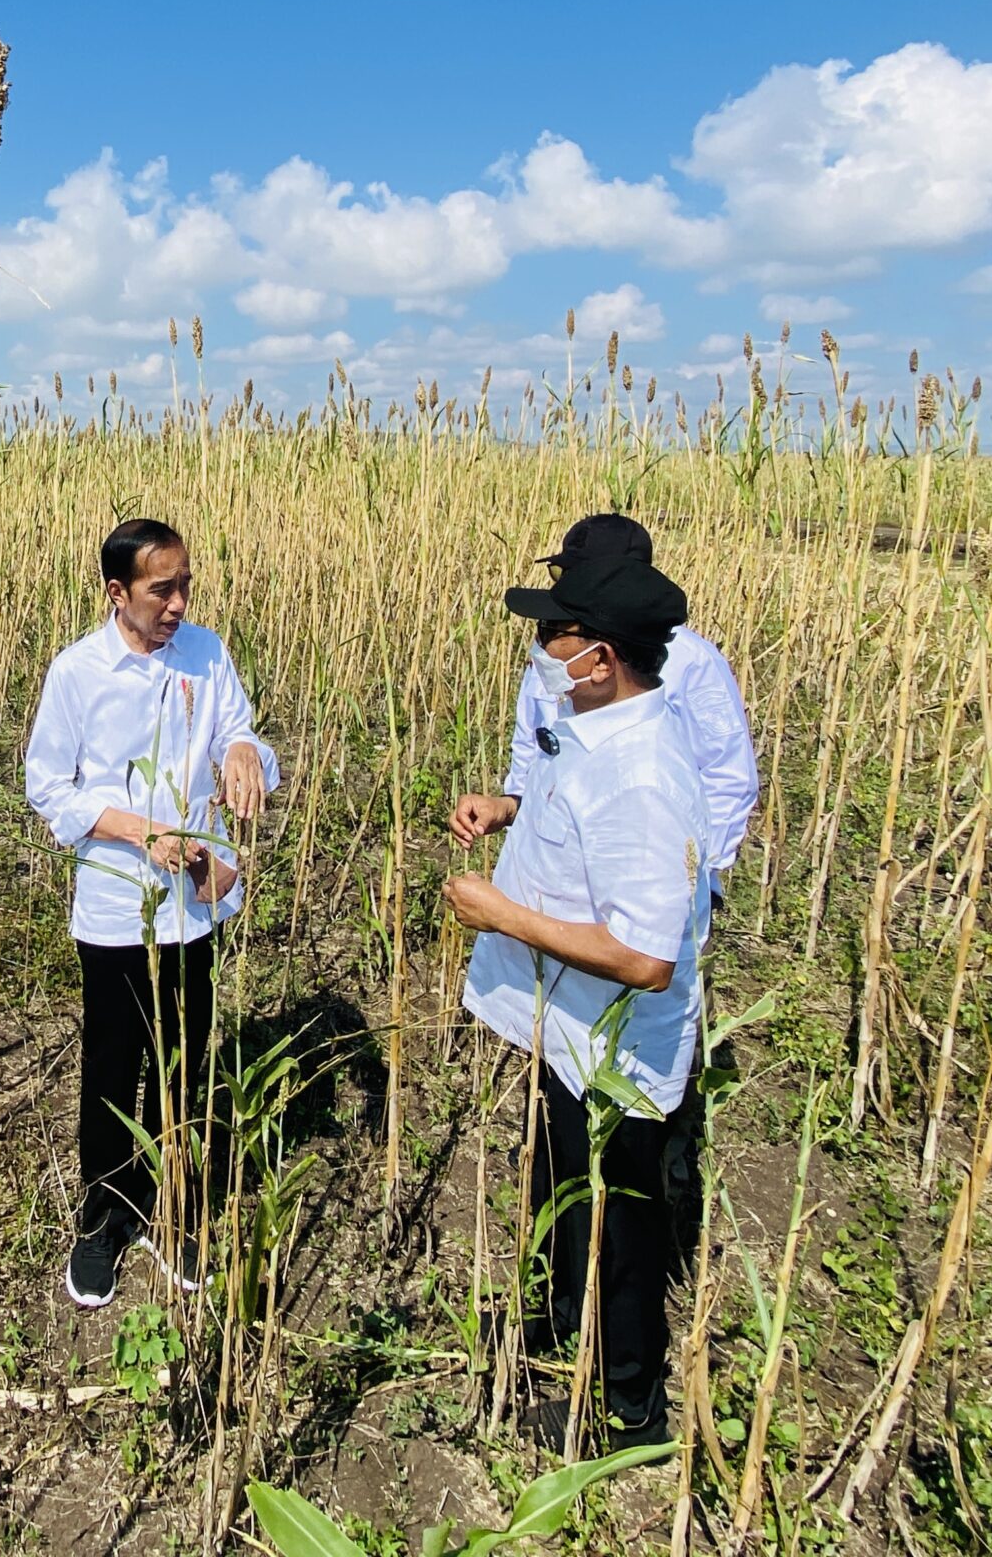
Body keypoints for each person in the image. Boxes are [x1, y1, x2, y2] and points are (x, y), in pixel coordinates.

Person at [443, 550, 709, 1443]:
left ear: (599, 655)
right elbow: (565, 818)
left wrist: (502, 913)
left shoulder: (645, 775)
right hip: (572, 1030)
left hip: (620, 1049)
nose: (540, 648)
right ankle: (560, 1317)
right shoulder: (596, 725)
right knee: (564, 1181)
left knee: (626, 1228)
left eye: (552, 634)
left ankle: (632, 1406)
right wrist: (507, 813)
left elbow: (644, 958)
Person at [24, 517, 278, 1308]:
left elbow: (241, 737)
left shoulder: (207, 652)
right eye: (160, 589)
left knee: (189, 1061)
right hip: (113, 904)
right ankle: (104, 1215)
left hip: (193, 907)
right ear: (116, 593)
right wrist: (139, 832)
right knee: (111, 1067)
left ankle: (178, 1206)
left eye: (185, 585)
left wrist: (243, 751)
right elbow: (48, 786)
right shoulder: (77, 672)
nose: (177, 602)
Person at [454, 513, 756, 882]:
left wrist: (697, 878)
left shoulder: (691, 665)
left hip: (639, 878)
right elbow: (536, 752)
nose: (565, 589)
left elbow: (727, 776)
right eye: (561, 575)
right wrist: (509, 805)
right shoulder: (555, 650)